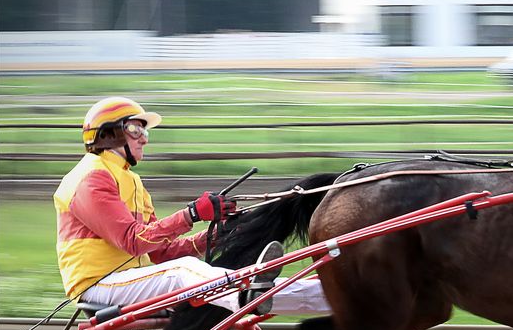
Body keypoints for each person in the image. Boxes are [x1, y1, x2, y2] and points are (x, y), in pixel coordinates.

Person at [54, 96, 330, 317]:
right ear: (109, 134)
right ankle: (245, 293)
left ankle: (327, 296)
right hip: (100, 285)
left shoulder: (131, 181)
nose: (144, 138)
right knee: (185, 272)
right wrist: (192, 214)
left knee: (217, 279)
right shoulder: (90, 178)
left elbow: (160, 252)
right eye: (135, 129)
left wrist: (216, 236)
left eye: (145, 131)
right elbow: (133, 241)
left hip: (129, 279)